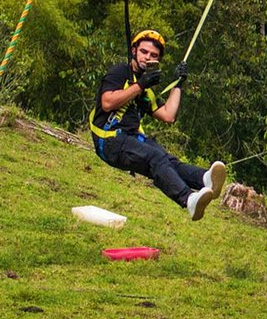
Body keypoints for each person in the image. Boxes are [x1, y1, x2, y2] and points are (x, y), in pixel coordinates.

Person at [90, 29, 227, 221]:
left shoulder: (146, 91)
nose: (148, 57)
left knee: (166, 160)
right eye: (144, 52)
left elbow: (168, 115)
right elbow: (107, 103)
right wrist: (139, 86)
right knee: (154, 156)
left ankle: (204, 178)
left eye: (153, 55)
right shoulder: (120, 72)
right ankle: (188, 200)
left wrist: (178, 84)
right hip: (109, 139)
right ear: (134, 51)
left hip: (130, 139)